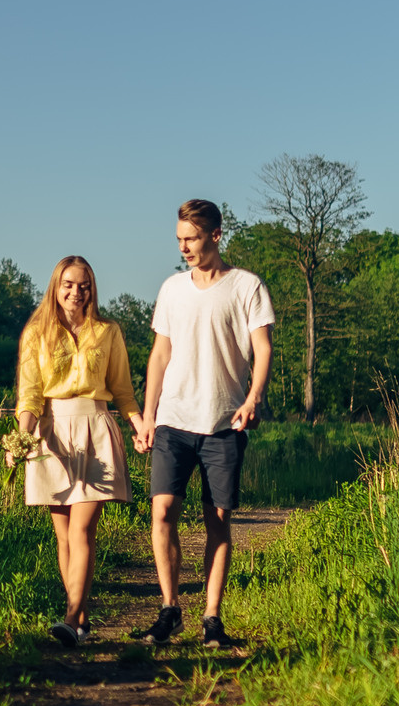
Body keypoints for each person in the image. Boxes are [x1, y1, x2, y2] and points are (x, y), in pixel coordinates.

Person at [131, 199, 274, 650]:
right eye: (179, 240)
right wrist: (149, 414)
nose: (184, 247)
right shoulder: (172, 289)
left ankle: (212, 618)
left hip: (223, 422)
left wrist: (253, 398)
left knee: (217, 519)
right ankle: (170, 609)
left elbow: (263, 348)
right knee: (162, 512)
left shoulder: (247, 286)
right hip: (173, 420)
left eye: (191, 238)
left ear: (215, 235)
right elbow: (160, 355)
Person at [15, 255, 140, 647]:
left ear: (92, 289)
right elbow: (30, 395)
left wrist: (140, 426)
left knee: (84, 528)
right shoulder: (36, 333)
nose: (75, 291)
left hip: (95, 429)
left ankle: (69, 618)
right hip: (51, 433)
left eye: (83, 285)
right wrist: (23, 438)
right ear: (56, 286)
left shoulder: (108, 332)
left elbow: (122, 390)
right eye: (68, 284)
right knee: (64, 535)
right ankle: (82, 621)